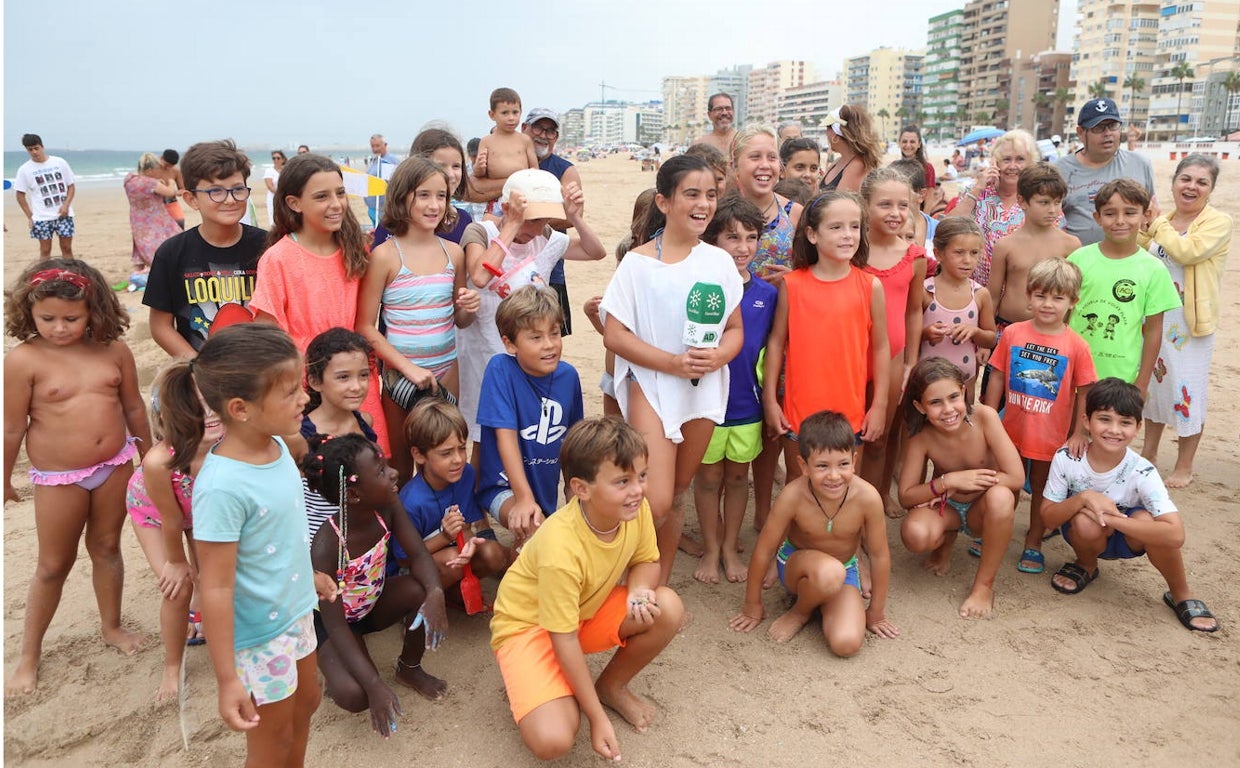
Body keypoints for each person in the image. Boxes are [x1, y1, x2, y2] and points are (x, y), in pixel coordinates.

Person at [490, 417, 684, 761]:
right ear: (581, 489)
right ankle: (531, 679)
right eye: (623, 481)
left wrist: (639, 589)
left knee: (665, 606)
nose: (638, 489)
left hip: (580, 614)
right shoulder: (560, 547)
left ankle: (610, 686)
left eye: (642, 476)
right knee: (553, 740)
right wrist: (596, 719)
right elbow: (561, 637)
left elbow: (647, 561)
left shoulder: (633, 509)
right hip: (529, 627)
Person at [4, 260, 152, 696]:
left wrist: (148, 455)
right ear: (28, 312)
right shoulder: (25, 359)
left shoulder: (113, 350)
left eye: (72, 318)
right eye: (47, 319)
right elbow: (12, 426)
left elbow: (133, 408)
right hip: (58, 477)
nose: (59, 328)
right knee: (53, 565)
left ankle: (111, 627)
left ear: (94, 310)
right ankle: (29, 655)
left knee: (107, 548)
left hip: (115, 465)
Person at [601, 155, 744, 587]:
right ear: (664, 202)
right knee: (654, 499)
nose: (703, 204)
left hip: (703, 386)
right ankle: (617, 577)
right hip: (651, 384)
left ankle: (654, 586)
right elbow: (614, 335)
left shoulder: (719, 261)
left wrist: (719, 357)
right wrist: (671, 364)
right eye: (692, 194)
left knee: (678, 490)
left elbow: (735, 329)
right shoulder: (638, 264)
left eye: (711, 195)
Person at [184, 324, 325, 764]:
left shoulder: (280, 446)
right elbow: (217, 587)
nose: (304, 398)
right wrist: (227, 679)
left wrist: (308, 574)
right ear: (241, 408)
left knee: (306, 706)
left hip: (296, 611)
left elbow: (280, 534)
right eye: (289, 392)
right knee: (271, 739)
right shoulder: (222, 487)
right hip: (260, 636)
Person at [303, 433, 459, 731]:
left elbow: (418, 555)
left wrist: (436, 592)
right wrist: (374, 684)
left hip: (371, 605)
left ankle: (409, 669)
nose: (394, 473)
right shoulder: (328, 544)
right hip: (334, 624)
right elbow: (335, 625)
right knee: (355, 695)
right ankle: (331, 664)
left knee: (419, 589)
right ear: (354, 495)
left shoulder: (388, 505)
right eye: (380, 472)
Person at [1040, 378, 1218, 633]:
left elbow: (1175, 535)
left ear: (1138, 427)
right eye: (1104, 419)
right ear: (1086, 420)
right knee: (1084, 520)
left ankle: (1180, 593)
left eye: (1125, 422)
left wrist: (1110, 517)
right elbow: (1048, 519)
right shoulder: (1067, 458)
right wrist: (1084, 498)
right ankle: (1086, 565)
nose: (1114, 430)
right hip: (1086, 534)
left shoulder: (1142, 470)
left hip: (1130, 537)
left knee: (1150, 523)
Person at [249, 153, 390, 452]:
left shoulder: (355, 249)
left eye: (340, 193)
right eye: (322, 196)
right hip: (305, 385)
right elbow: (267, 340)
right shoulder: (278, 259)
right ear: (294, 203)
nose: (336, 204)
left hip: (356, 379)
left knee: (366, 467)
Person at [730, 411, 898, 653]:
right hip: (795, 568)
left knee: (846, 643)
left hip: (845, 570)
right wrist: (751, 604)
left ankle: (824, 601)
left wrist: (876, 611)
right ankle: (800, 612)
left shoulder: (868, 497)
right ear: (803, 465)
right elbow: (764, 550)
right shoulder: (793, 495)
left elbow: (880, 555)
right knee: (830, 572)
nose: (834, 476)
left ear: (854, 459)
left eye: (843, 464)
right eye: (822, 466)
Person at [458, 169, 604, 445]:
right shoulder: (479, 232)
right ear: (506, 209)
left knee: (525, 429)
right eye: (532, 220)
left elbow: (594, 252)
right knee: (485, 435)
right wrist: (511, 226)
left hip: (530, 354)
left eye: (544, 220)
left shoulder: (543, 238)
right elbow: (479, 275)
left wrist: (574, 218)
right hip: (486, 353)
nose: (537, 228)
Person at [355, 157, 479, 480]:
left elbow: (460, 320)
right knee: (399, 463)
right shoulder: (384, 256)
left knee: (443, 458)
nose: (434, 204)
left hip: (447, 373)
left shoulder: (454, 253)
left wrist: (468, 306)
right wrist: (407, 368)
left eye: (441, 196)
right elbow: (365, 326)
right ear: (401, 197)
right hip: (400, 378)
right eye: (423, 195)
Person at [764, 190, 889, 487]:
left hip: (851, 412)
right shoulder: (791, 286)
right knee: (798, 480)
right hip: (799, 411)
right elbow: (776, 343)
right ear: (812, 234)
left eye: (855, 226)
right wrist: (770, 399)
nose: (848, 235)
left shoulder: (870, 286)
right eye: (836, 227)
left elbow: (882, 347)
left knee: (845, 485)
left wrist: (880, 404)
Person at [983, 258, 1096, 575]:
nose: (1048, 304)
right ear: (1029, 296)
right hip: (1009, 429)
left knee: (1042, 488)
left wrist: (1078, 433)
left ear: (1072, 302)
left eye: (1058, 297)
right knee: (1005, 484)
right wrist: (989, 416)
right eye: (1041, 295)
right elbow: (996, 375)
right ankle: (994, 532)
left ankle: (1033, 541)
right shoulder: (1013, 333)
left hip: (1050, 434)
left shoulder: (1077, 346)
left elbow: (1084, 391)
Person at [897, 357, 1023, 618]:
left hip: (984, 507)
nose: (948, 409)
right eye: (935, 402)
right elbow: (906, 496)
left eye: (953, 397)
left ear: (965, 392)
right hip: (949, 504)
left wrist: (970, 481)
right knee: (916, 534)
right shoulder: (920, 436)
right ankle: (946, 542)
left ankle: (983, 586)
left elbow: (1016, 478)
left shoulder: (985, 417)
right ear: (919, 407)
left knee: (1001, 497)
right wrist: (948, 482)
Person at [692, 197, 777, 584]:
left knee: (738, 479)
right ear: (713, 241)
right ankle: (710, 548)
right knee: (708, 481)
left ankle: (730, 546)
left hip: (748, 406)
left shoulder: (767, 295)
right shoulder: (700, 290)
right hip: (705, 405)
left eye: (751, 237)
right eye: (732, 237)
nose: (743, 247)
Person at [126, 363, 223, 699]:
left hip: (202, 512)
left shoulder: (229, 443)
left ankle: (203, 610)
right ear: (175, 412)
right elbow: (170, 519)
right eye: (197, 406)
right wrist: (176, 562)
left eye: (215, 401)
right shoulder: (159, 461)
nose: (210, 414)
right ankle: (172, 665)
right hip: (156, 512)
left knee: (210, 577)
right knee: (178, 585)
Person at [1136, 155, 1231, 489]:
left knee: (1187, 390)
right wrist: (1143, 228)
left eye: (1201, 182)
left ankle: (1185, 464)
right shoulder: (1166, 219)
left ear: (1211, 189)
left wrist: (1158, 224)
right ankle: (1148, 453)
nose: (1191, 186)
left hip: (1191, 324)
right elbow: (1147, 249)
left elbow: (1186, 252)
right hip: (1157, 318)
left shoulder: (1218, 222)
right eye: (1185, 179)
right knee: (1155, 388)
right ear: (1174, 181)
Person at [477, 286, 584, 546]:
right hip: (504, 488)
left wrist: (575, 501)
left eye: (555, 333)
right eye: (535, 338)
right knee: (539, 534)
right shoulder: (500, 370)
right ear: (510, 343)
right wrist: (524, 497)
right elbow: (505, 437)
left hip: (544, 494)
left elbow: (574, 445)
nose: (549, 345)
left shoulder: (568, 377)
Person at [467, 108, 584, 336]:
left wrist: (532, 217)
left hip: (549, 264)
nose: (544, 134)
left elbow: (571, 218)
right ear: (524, 129)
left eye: (551, 131)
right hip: (500, 256)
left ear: (556, 137)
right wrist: (515, 195)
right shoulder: (501, 160)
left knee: (546, 330)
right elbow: (471, 191)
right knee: (499, 329)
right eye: (538, 127)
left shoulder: (565, 169)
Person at [144, 139, 266, 357]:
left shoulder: (267, 247)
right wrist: (197, 366)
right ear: (192, 199)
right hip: (201, 368)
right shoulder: (172, 253)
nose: (230, 200)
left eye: (238, 189)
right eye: (215, 191)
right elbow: (160, 326)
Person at [1067, 179, 1179, 390]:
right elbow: (1063, 315)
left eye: (1129, 213)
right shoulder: (1077, 260)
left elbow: (1154, 331)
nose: (1120, 221)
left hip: (1121, 379)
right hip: (1071, 372)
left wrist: (1142, 384)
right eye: (1110, 213)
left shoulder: (1153, 269)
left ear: (1146, 216)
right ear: (1097, 218)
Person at [859, 167, 926, 517]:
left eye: (904, 205)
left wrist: (911, 362)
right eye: (885, 204)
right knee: (848, 435)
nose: (896, 213)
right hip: (851, 358)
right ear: (865, 205)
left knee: (880, 438)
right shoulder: (851, 251)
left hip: (894, 359)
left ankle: (874, 502)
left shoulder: (913, 256)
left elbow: (914, 312)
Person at [397, 398, 513, 590]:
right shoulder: (411, 501)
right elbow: (403, 559)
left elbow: (466, 527)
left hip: (450, 551)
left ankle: (453, 591)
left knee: (493, 552)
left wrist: (468, 545)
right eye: (446, 453)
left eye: (461, 448)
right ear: (419, 455)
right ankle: (421, 603)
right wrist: (444, 537)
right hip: (411, 571)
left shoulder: (466, 474)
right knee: (452, 558)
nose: (458, 459)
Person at [296, 328, 380, 539]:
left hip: (361, 538)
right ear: (315, 382)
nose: (357, 386)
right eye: (343, 377)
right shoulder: (301, 436)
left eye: (363, 375)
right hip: (317, 545)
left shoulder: (365, 423)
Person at [987, 163, 1081, 333]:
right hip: (1007, 328)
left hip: (1053, 333)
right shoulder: (1006, 245)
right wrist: (987, 337)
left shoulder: (1071, 244)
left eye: (1057, 202)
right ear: (1022, 201)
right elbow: (992, 296)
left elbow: (1075, 298)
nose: (1052, 210)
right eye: (1044, 202)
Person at [1056, 98, 1155, 246]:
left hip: (1130, 262)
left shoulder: (1141, 164)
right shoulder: (1059, 170)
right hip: (1077, 263)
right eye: (1098, 128)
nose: (1107, 133)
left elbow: (1152, 215)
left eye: (1113, 126)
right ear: (1080, 132)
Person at [950, 129, 1041, 286]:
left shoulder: (1039, 196)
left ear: (1030, 163)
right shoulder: (977, 190)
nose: (1013, 166)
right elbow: (948, 226)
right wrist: (978, 188)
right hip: (974, 291)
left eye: (1020, 159)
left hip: (1020, 294)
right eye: (1006, 159)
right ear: (995, 162)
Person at [919, 217, 996, 396]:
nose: (967, 260)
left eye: (974, 253)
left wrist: (975, 332)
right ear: (938, 254)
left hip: (966, 380)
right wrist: (926, 333)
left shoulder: (979, 294)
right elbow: (908, 335)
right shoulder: (925, 291)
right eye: (959, 252)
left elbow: (991, 339)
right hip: (926, 381)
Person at [373, 129, 476, 248]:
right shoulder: (394, 225)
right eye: (440, 166)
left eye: (456, 166)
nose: (450, 175)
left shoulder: (463, 220)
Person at [14, 133, 76, 258]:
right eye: (30, 149)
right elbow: (20, 195)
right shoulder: (24, 169)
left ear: (42, 147)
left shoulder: (59, 162)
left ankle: (69, 275)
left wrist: (66, 206)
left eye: (36, 148)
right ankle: (44, 276)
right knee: (45, 250)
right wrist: (30, 216)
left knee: (66, 248)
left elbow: (71, 186)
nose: (34, 152)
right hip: (42, 217)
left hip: (63, 215)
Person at [124, 153, 181, 270]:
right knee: (166, 241)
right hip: (156, 218)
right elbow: (170, 193)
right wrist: (171, 183)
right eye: (156, 169)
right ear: (149, 170)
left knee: (141, 244)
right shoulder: (151, 183)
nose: (157, 172)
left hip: (137, 218)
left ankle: (140, 270)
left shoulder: (129, 180)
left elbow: (142, 190)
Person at [473, 88, 538, 188]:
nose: (511, 118)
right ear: (492, 115)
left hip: (522, 192)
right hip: (495, 195)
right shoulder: (486, 141)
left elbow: (535, 169)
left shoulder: (525, 140)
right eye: (504, 113)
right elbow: (479, 175)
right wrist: (479, 168)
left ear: (521, 112)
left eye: (515, 112)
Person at [820, 106, 884, 193]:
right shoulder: (838, 162)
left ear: (836, 133)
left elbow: (842, 203)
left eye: (827, 128)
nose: (826, 133)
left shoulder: (857, 166)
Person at [365, 134, 399, 227]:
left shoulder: (391, 161)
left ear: (385, 145)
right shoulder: (374, 160)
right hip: (371, 207)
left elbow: (395, 184)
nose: (375, 149)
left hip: (383, 209)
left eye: (378, 145)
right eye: (373, 146)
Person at [898, 124, 935, 190]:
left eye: (912, 142)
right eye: (904, 141)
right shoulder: (894, 167)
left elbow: (930, 198)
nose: (908, 145)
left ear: (919, 144)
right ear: (899, 143)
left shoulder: (927, 168)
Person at [156, 149, 187, 229]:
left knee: (180, 223)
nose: (168, 168)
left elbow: (183, 189)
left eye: (170, 166)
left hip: (171, 201)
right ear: (161, 158)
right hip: (156, 202)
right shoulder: (152, 170)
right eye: (166, 165)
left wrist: (174, 192)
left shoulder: (176, 171)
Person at [264, 150, 286, 228]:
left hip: (284, 197)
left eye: (278, 158)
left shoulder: (285, 170)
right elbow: (270, 186)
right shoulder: (269, 171)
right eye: (274, 158)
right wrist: (279, 194)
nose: (276, 160)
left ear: (283, 159)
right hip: (273, 197)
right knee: (273, 216)